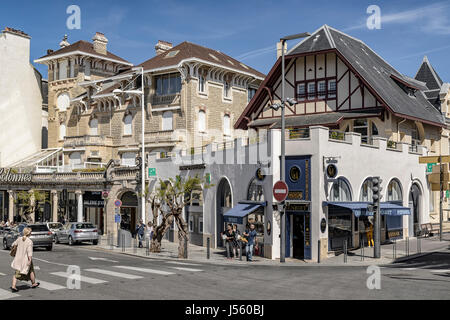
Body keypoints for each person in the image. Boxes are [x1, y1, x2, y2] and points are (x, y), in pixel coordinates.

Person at [10, 227, 40, 292]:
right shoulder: (29, 241)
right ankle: (13, 286)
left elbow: (13, 245)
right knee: (18, 274)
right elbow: (29, 252)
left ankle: (33, 283)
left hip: (18, 258)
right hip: (25, 260)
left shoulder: (19, 239)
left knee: (30, 270)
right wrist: (29, 260)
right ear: (29, 233)